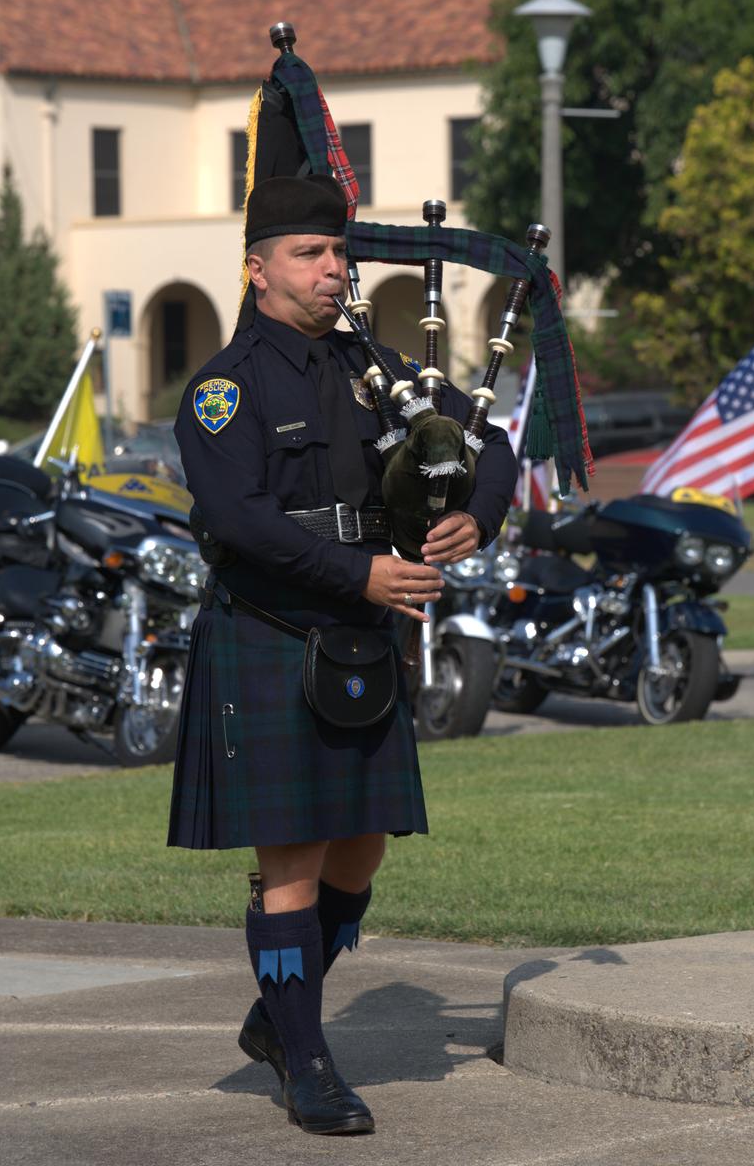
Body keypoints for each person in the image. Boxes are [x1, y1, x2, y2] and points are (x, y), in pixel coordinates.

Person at [167, 171, 517, 1136]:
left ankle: (277, 1018)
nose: (333, 271)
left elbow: (492, 445)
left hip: (362, 641)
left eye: (337, 254)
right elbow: (236, 521)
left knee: (360, 851)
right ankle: (308, 1061)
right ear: (257, 269)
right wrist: (358, 574)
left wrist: (473, 523)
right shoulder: (224, 389)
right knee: (294, 858)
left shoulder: (382, 373)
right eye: (310, 255)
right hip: (272, 631)